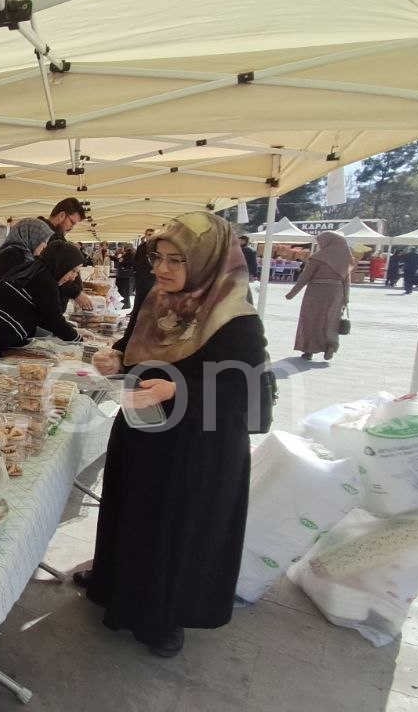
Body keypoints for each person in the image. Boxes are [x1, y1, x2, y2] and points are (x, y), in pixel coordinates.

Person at [86, 211, 267, 658]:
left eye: (176, 261)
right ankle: (116, 589)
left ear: (208, 262)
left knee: (176, 533)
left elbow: (248, 393)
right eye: (159, 258)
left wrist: (179, 388)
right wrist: (117, 361)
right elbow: (135, 354)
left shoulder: (235, 319)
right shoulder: (154, 301)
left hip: (197, 450)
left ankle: (164, 619)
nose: (162, 270)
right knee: (132, 514)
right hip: (144, 433)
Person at [0, 240, 85, 369]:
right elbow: (54, 320)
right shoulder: (44, 280)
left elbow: (45, 316)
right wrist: (79, 340)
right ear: (62, 264)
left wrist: (71, 331)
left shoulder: (33, 269)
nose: (73, 277)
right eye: (73, 271)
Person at [0, 198, 85, 290]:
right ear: (62, 215)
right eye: (72, 222)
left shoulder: (42, 235)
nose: (72, 227)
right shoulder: (12, 256)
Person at [285, 231, 352, 362]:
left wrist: (292, 293)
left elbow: (305, 276)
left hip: (316, 292)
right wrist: (346, 298)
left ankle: (309, 349)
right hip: (337, 293)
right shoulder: (346, 258)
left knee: (311, 319)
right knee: (331, 321)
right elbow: (347, 280)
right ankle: (330, 346)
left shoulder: (318, 257)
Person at [132, 228, 157, 306]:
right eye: (149, 235)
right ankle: (135, 314)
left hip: (152, 276)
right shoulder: (141, 247)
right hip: (141, 277)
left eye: (153, 235)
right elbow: (136, 260)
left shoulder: (157, 246)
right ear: (145, 235)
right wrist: (136, 271)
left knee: (150, 298)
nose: (151, 237)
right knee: (139, 297)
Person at [114, 244, 136, 309]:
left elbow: (121, 261)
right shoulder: (130, 254)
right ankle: (125, 304)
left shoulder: (129, 254)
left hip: (124, 276)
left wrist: (120, 260)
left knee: (123, 291)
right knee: (125, 291)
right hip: (126, 275)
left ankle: (125, 305)